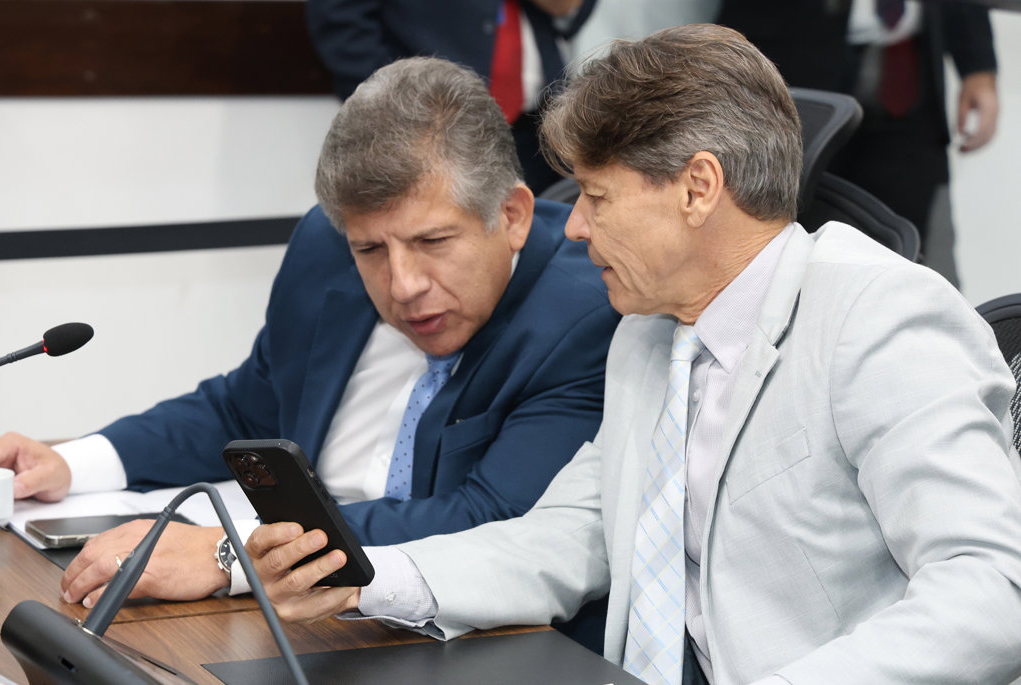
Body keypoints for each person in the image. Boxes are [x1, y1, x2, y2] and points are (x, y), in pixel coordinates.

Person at [244, 25, 1021, 685]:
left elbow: (993, 588)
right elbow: (569, 534)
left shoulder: (879, 317)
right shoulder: (649, 334)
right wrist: (366, 578)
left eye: (596, 196)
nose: (576, 226)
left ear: (697, 188)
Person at [0, 57, 618, 611]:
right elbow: (243, 408)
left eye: (432, 241)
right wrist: (73, 462)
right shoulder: (325, 247)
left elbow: (488, 516)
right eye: (370, 250)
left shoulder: (583, 311)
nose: (402, 285)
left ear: (511, 215)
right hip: (283, 609)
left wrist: (229, 554)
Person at [717, 0, 999, 286]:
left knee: (917, 265)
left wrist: (978, 66)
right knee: (782, 256)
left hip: (906, 79)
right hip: (794, 70)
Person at [305, 0, 597, 195]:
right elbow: (339, 18)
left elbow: (573, 14)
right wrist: (393, 101)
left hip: (538, 124)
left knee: (547, 244)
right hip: (428, 124)